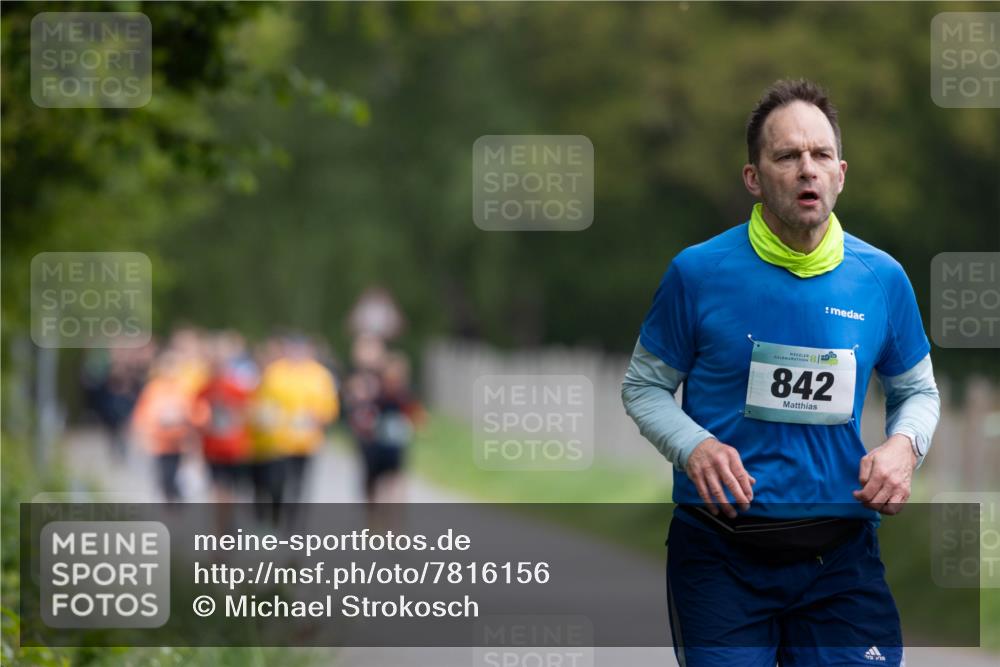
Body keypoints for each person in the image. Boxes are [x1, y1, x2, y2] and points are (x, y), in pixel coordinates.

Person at [621, 79, 940, 667]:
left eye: (820, 155)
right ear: (754, 177)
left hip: (840, 559)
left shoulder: (882, 279)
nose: (806, 169)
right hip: (721, 553)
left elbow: (917, 390)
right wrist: (694, 446)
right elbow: (644, 386)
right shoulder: (698, 273)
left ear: (841, 173)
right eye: (787, 156)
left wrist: (905, 446)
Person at [251, 335, 339, 526]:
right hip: (279, 441)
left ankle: (293, 525)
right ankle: (275, 515)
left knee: (299, 485)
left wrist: (318, 417)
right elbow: (263, 402)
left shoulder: (320, 376)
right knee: (277, 482)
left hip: (306, 442)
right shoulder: (275, 372)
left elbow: (330, 407)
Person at [131, 351, 200, 501]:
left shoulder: (183, 388)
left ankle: (175, 498)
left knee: (176, 472)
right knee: (164, 475)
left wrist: (191, 431)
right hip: (160, 441)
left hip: (179, 440)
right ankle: (170, 500)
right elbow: (142, 413)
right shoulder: (153, 389)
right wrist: (141, 436)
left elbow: (194, 413)